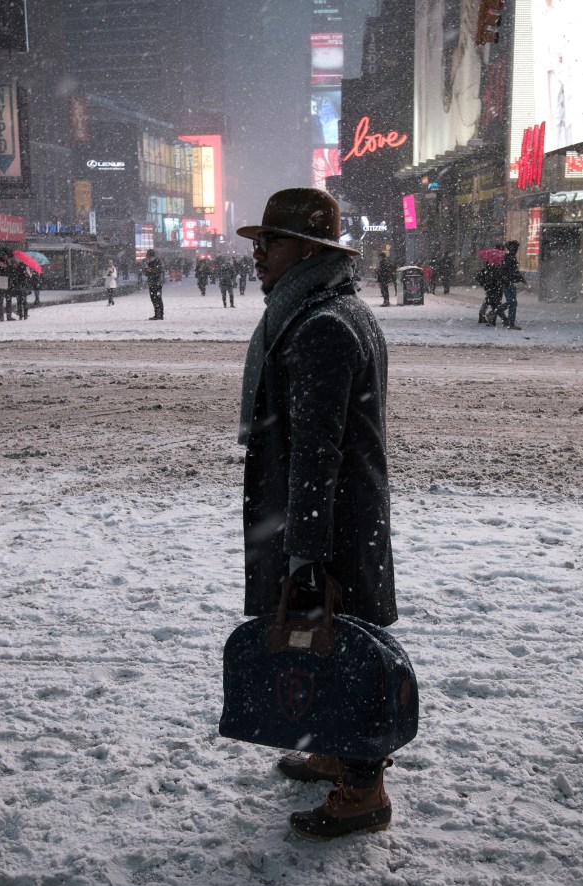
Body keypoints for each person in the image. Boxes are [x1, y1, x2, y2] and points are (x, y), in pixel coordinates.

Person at [236, 186, 397, 841]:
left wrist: (306, 556)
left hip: (329, 526)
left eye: (268, 243)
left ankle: (364, 791)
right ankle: (338, 752)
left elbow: (316, 454)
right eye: (256, 243)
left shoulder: (322, 325)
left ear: (306, 248)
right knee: (335, 645)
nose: (257, 256)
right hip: (347, 519)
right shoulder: (328, 311)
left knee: (345, 648)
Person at [501, 240, 523, 330]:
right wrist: (521, 279)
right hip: (509, 283)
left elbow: (511, 271)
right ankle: (510, 323)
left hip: (506, 282)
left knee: (511, 302)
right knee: (512, 303)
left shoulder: (507, 257)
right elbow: (513, 272)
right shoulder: (510, 258)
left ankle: (493, 313)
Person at [144, 249, 165, 320]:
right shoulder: (150, 262)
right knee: (153, 298)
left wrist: (152, 270)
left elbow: (161, 270)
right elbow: (147, 273)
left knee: (158, 298)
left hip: (157, 283)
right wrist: (147, 271)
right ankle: (157, 314)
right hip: (152, 283)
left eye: (148, 256)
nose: (147, 257)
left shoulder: (158, 261)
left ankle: (160, 315)